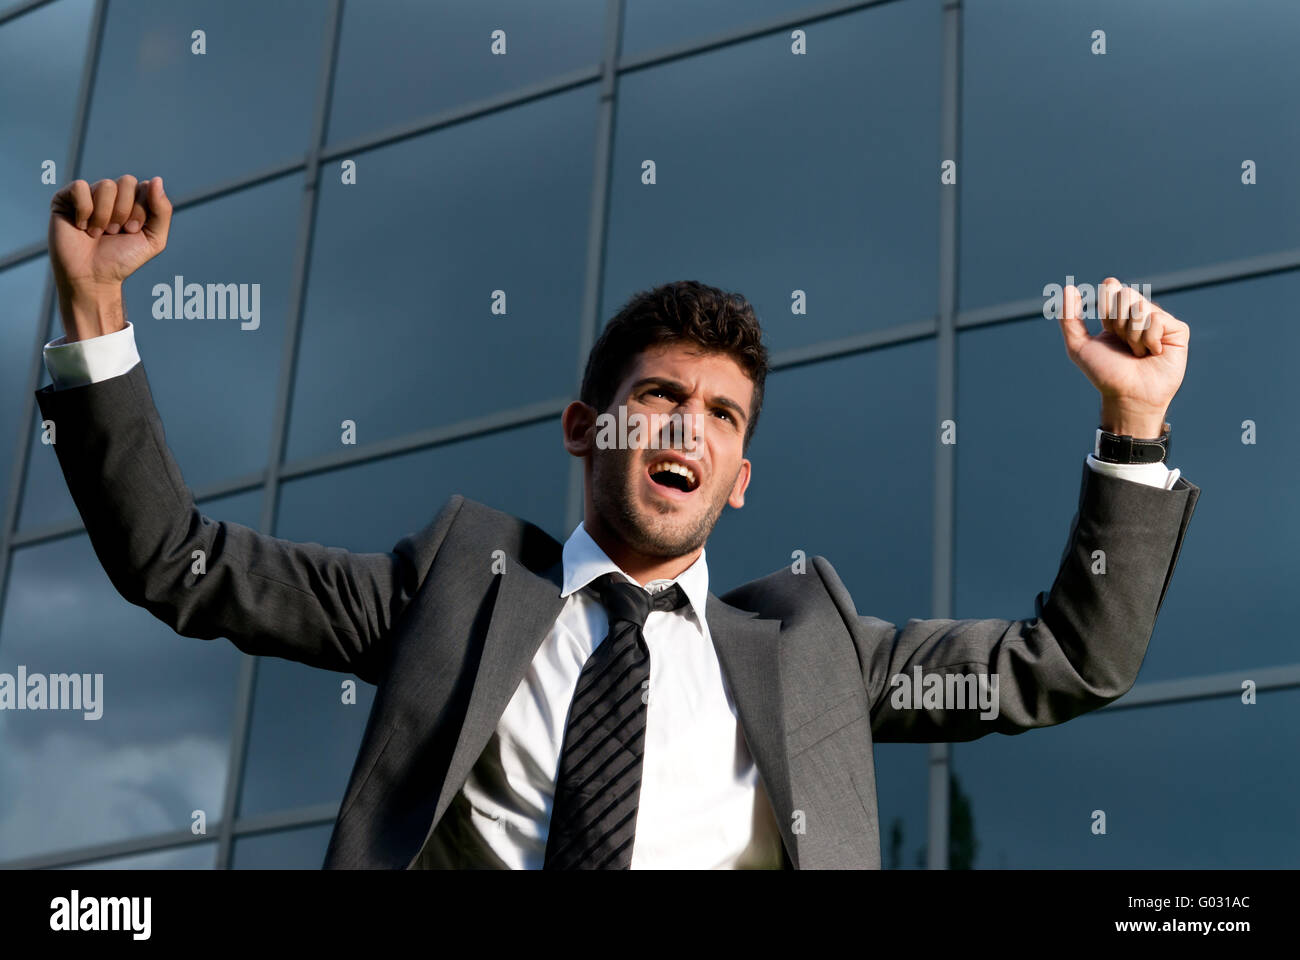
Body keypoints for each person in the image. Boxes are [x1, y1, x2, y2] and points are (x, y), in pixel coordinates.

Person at [35, 174, 1200, 869]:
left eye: (719, 416)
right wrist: (95, 309)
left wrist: (1132, 424)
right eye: (659, 398)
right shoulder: (451, 590)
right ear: (586, 429)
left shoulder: (817, 655)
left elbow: (1070, 662)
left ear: (741, 476)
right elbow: (175, 561)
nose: (686, 430)